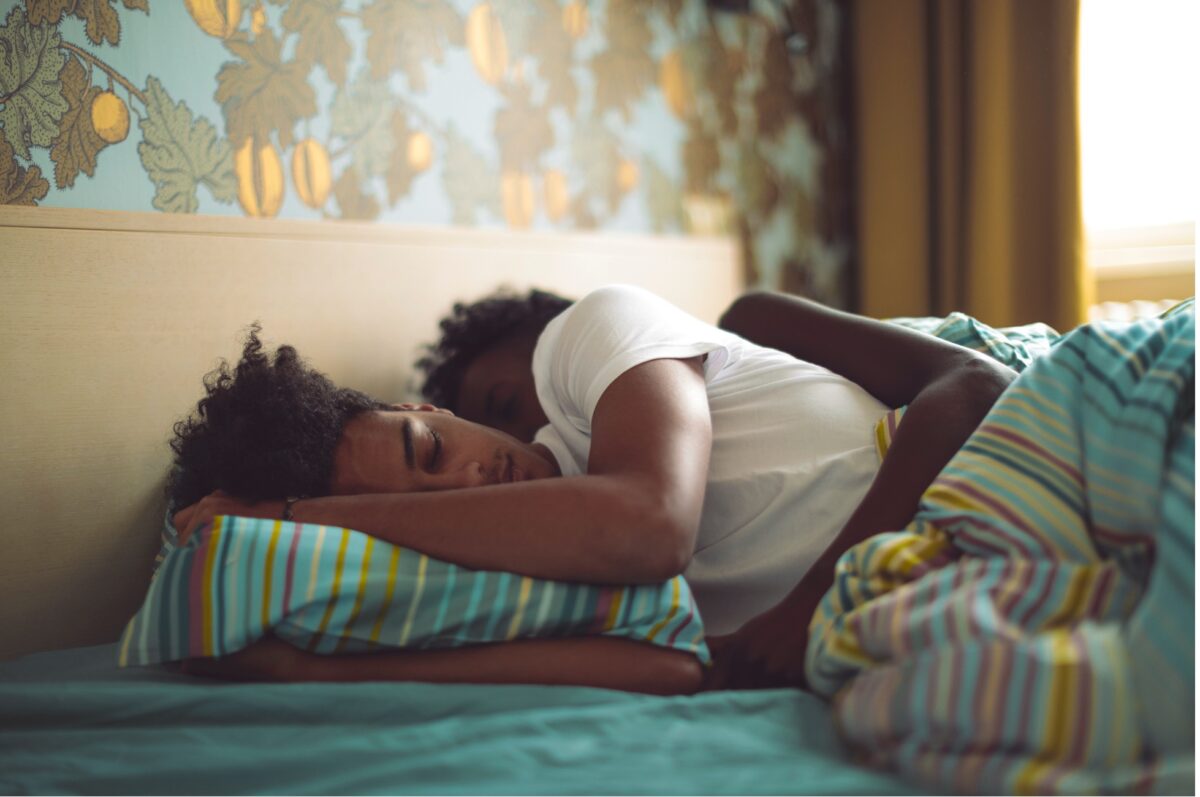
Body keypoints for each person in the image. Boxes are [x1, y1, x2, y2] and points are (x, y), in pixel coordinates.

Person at [172, 286, 1017, 691]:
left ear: (423, 406)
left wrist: (301, 515)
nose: (473, 479)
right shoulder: (517, 558)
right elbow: (683, 673)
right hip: (979, 586)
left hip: (1023, 453)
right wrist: (303, 666)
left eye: (430, 447)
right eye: (438, 504)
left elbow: (652, 524)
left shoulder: (586, 336)